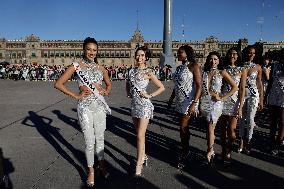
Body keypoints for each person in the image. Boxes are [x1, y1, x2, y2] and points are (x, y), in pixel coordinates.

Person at [54, 37, 112, 187]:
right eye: (89, 49)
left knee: (100, 138)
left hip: (99, 106)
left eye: (94, 50)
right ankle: (91, 170)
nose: (91, 52)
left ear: (97, 51)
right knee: (89, 141)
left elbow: (109, 83)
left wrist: (107, 90)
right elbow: (58, 83)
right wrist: (76, 95)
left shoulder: (101, 68)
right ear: (84, 50)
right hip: (85, 107)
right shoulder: (76, 66)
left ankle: (102, 165)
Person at [126, 46, 165, 176]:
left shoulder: (149, 72)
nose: (139, 57)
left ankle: (138, 163)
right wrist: (129, 93)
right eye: (137, 55)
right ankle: (143, 156)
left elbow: (161, 87)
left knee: (140, 135)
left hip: (144, 106)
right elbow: (128, 84)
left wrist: (150, 95)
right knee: (138, 134)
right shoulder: (131, 71)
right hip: (134, 105)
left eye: (142, 55)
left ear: (146, 57)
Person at [199, 51, 237, 164]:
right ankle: (211, 150)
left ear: (219, 61)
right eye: (211, 59)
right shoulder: (204, 73)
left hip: (216, 104)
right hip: (205, 102)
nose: (213, 61)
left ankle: (209, 152)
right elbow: (200, 89)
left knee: (211, 128)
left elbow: (235, 87)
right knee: (209, 128)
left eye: (215, 59)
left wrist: (223, 97)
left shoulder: (222, 72)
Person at [168, 45, 202, 168]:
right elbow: (177, 85)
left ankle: (184, 153)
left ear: (187, 53)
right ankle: (185, 149)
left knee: (184, 127)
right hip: (179, 101)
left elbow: (199, 86)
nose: (178, 54)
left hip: (189, 101)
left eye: (180, 52)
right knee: (182, 129)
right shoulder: (178, 68)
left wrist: (194, 103)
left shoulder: (194, 66)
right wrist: (171, 99)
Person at [217, 47, 247, 163]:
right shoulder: (222, 68)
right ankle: (225, 150)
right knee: (222, 129)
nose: (232, 56)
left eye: (235, 54)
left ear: (238, 56)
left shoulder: (242, 69)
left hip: (235, 102)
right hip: (222, 100)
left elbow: (242, 89)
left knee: (231, 130)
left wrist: (240, 107)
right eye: (230, 54)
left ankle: (229, 149)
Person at [238, 45, 263, 154]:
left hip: (253, 95)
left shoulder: (258, 67)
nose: (252, 55)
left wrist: (261, 100)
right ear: (245, 53)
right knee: (242, 119)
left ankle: (248, 141)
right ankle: (241, 142)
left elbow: (259, 84)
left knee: (251, 120)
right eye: (249, 52)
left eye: (253, 53)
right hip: (242, 94)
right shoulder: (241, 66)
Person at [265, 48, 284, 155]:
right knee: (272, 122)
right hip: (273, 96)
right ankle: (271, 141)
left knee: (282, 122)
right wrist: (265, 96)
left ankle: (278, 143)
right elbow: (270, 82)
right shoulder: (275, 66)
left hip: (283, 98)